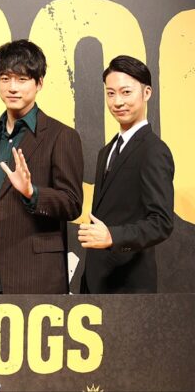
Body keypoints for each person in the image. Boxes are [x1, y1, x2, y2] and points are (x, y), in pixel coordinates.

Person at [0, 39, 83, 294]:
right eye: (5, 78)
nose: (12, 87)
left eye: (22, 79)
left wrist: (32, 193)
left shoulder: (61, 136)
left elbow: (72, 203)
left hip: (35, 279)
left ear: (39, 83)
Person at [79, 55, 174, 293]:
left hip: (129, 286)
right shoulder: (106, 151)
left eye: (126, 92)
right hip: (96, 282)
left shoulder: (154, 150)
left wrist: (113, 236)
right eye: (110, 94)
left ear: (147, 93)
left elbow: (161, 222)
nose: (117, 102)